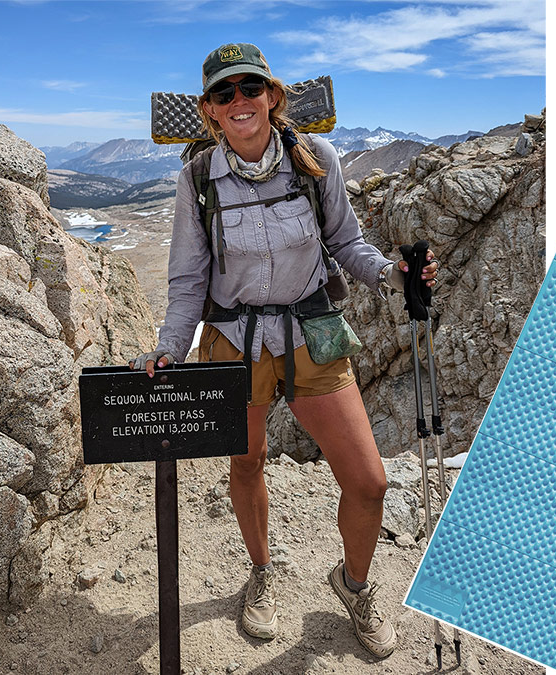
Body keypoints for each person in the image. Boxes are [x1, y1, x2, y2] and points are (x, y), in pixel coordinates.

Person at [129, 42, 438, 658]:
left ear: (272, 96)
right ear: (209, 110)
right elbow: (189, 279)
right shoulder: (196, 179)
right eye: (225, 93)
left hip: (309, 336)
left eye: (250, 88)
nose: (239, 101)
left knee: (370, 482)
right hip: (232, 344)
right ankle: (263, 575)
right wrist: (169, 348)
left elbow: (346, 242)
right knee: (247, 463)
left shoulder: (314, 159)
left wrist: (396, 279)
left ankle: (353, 585)